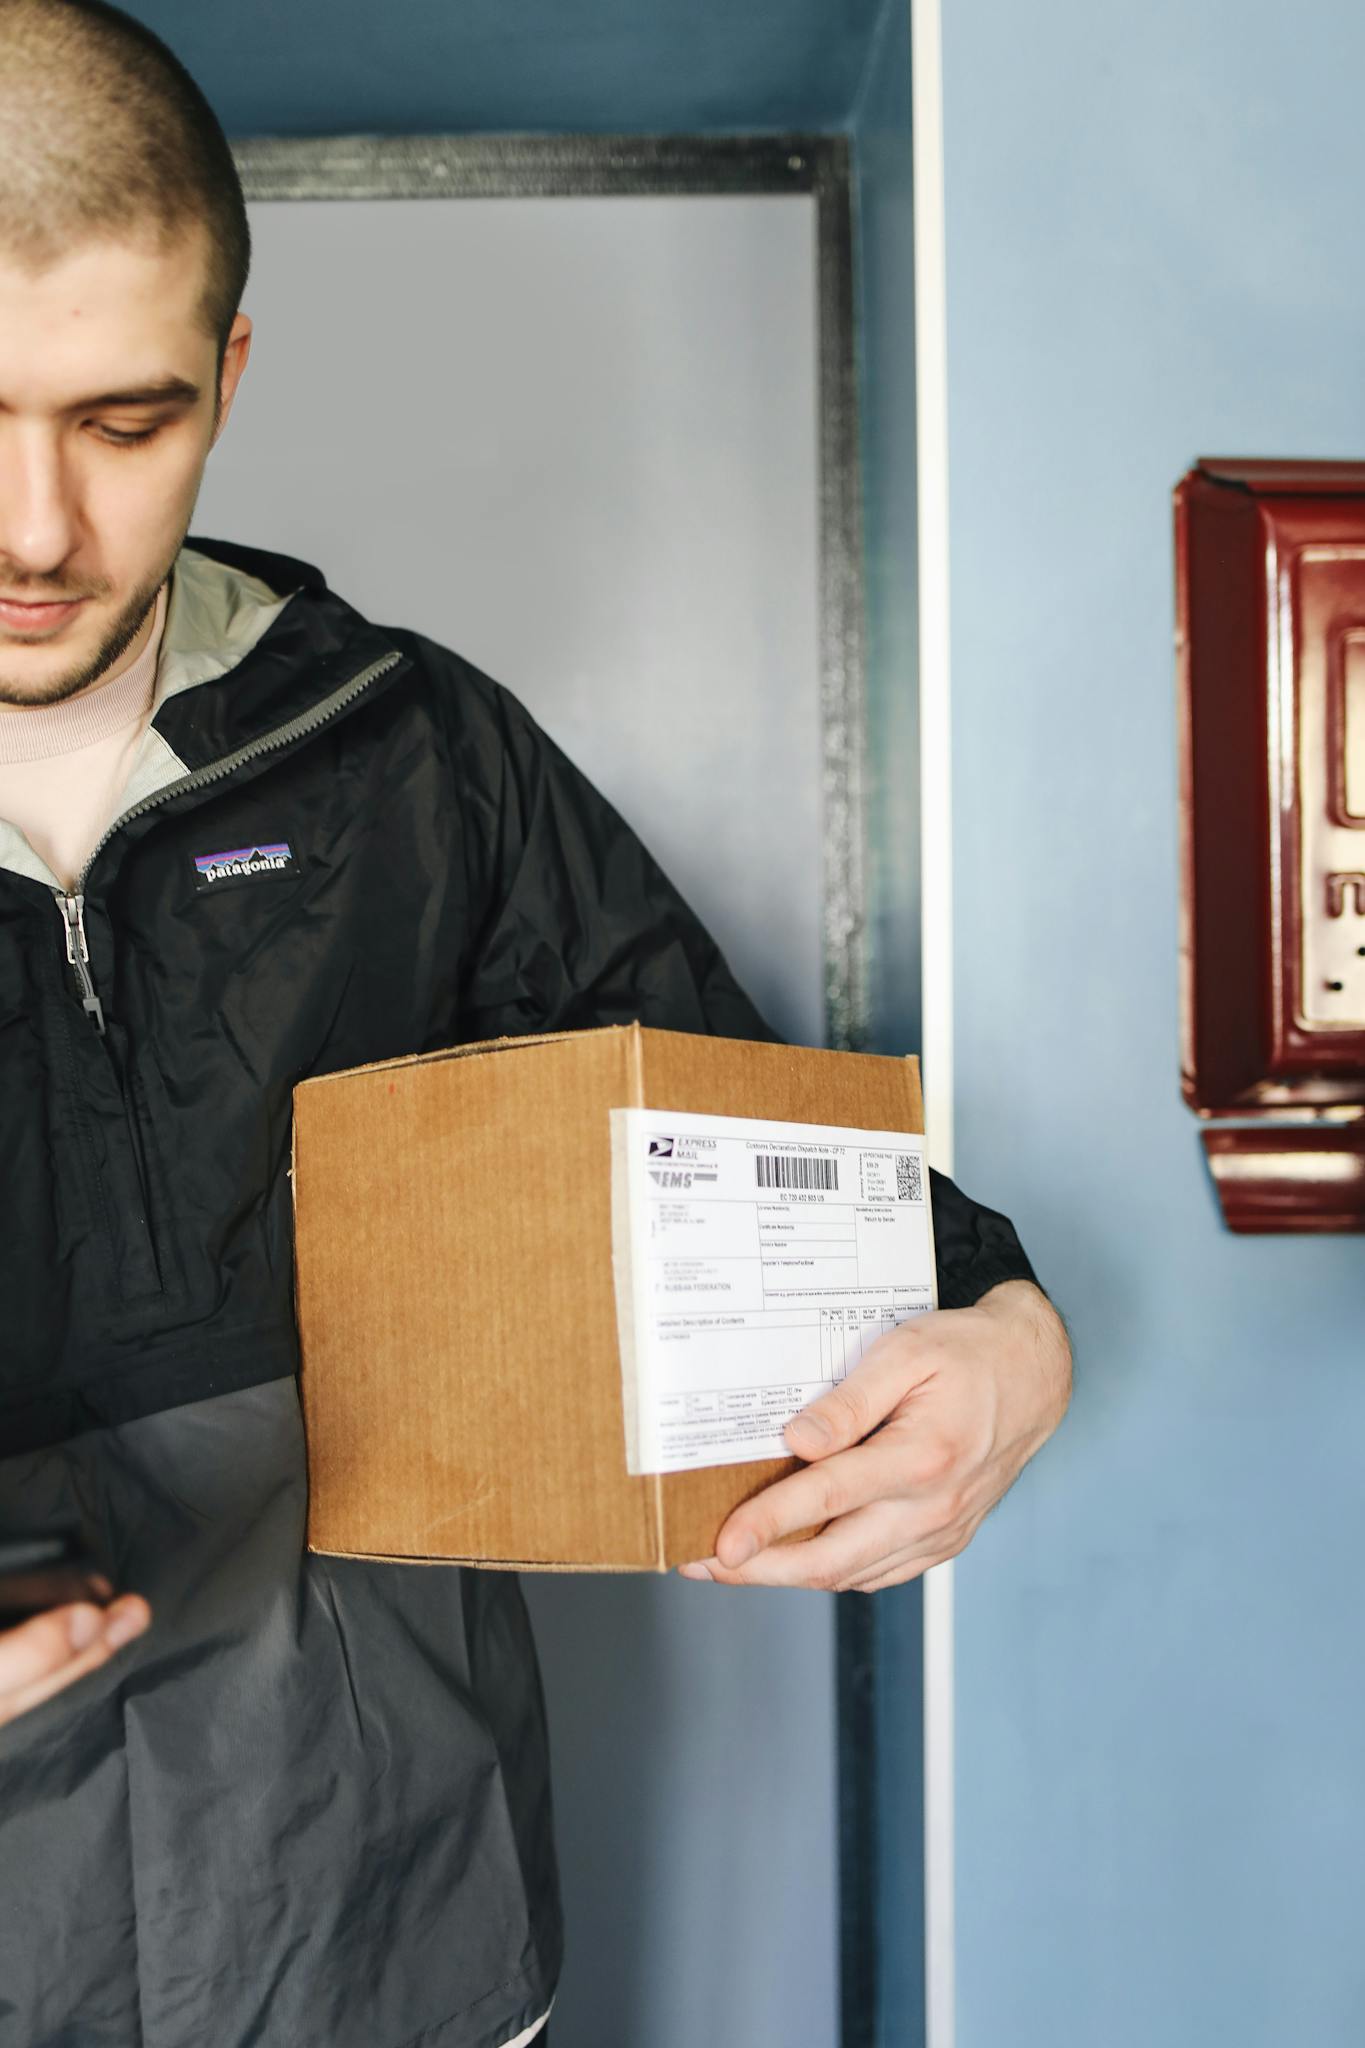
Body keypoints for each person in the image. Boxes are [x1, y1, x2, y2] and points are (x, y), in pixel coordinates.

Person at [0, 3, 1072, 2043]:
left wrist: (1008, 1327)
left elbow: (766, 1157)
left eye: (123, 422)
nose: (38, 529)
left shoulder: (410, 750)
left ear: (230, 374)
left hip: (398, 1931)